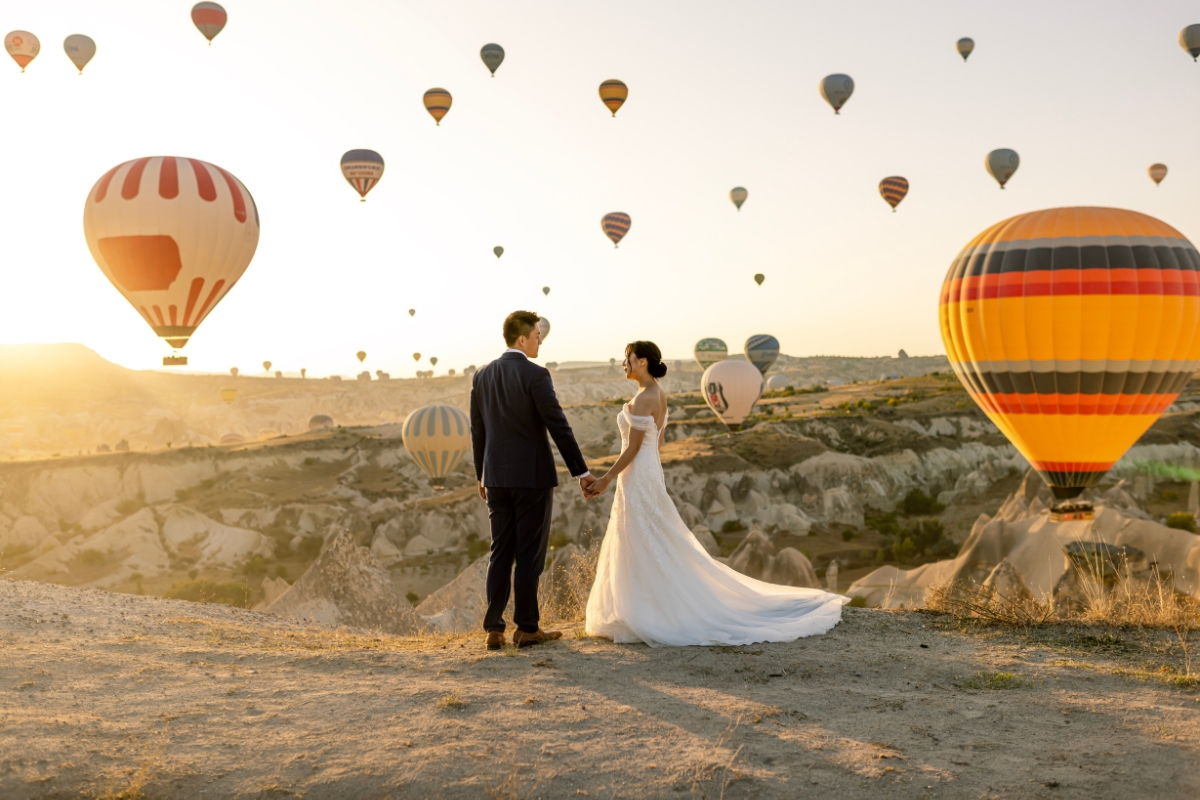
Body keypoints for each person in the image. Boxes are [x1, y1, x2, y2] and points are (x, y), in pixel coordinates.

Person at [584, 341, 847, 646]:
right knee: (648, 537)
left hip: (638, 475)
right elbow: (658, 444)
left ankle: (644, 611)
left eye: (627, 359)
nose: (623, 364)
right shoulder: (659, 394)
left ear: (642, 361)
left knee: (638, 536)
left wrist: (606, 478)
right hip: (648, 472)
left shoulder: (644, 398)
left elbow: (632, 447)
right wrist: (645, 472)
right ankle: (649, 609)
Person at [470, 311, 595, 650]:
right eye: (538, 335)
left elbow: (477, 430)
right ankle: (527, 628)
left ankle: (493, 629)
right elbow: (558, 424)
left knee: (500, 551)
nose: (541, 340)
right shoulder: (536, 374)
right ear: (522, 339)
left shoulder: (481, 376)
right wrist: (581, 472)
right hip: (532, 477)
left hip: (495, 477)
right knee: (528, 554)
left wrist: (481, 474)